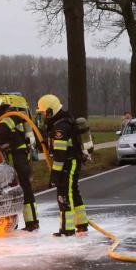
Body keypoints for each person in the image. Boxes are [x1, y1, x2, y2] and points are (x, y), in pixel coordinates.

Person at [0, 92, 39, 231]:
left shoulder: (9, 115)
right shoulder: (0, 117)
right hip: (11, 157)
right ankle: (15, 222)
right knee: (9, 191)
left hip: (19, 157)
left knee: (24, 188)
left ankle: (32, 223)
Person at [38, 94, 88, 237]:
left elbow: (60, 155)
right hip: (71, 161)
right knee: (73, 192)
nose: (43, 117)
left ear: (50, 111)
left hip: (68, 162)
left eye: (43, 113)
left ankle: (67, 229)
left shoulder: (60, 128)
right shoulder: (60, 122)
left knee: (64, 195)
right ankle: (82, 225)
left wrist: (55, 175)